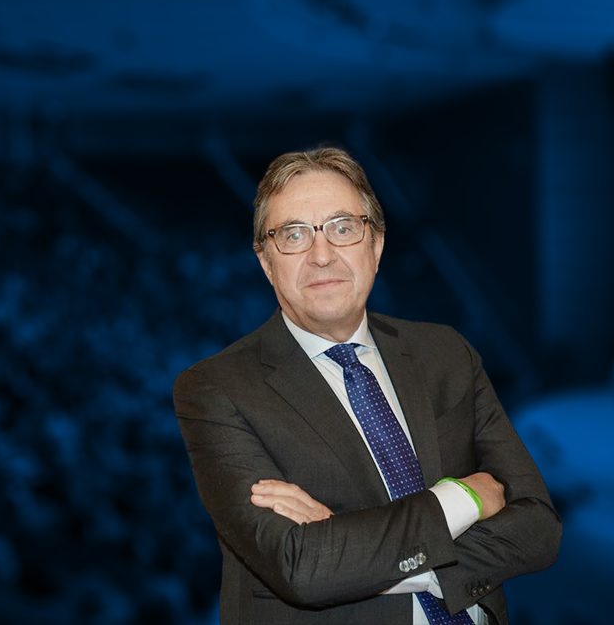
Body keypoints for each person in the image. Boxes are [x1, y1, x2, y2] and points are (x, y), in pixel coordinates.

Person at [173, 147, 561, 624]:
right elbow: (304, 567)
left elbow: (538, 527)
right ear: (266, 262)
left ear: (375, 246)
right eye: (293, 235)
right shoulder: (216, 388)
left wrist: (354, 550)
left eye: (342, 228)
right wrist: (466, 498)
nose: (321, 255)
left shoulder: (445, 352)